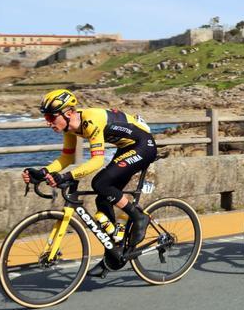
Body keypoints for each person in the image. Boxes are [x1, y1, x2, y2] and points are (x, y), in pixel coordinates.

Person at [24, 89, 156, 275]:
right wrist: (44, 172)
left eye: (51, 116)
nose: (47, 121)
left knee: (100, 183)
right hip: (126, 148)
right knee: (102, 199)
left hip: (144, 146)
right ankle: (113, 254)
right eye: (45, 116)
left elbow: (96, 161)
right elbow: (67, 158)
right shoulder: (70, 129)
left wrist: (67, 177)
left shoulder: (90, 120)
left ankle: (139, 217)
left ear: (68, 113)